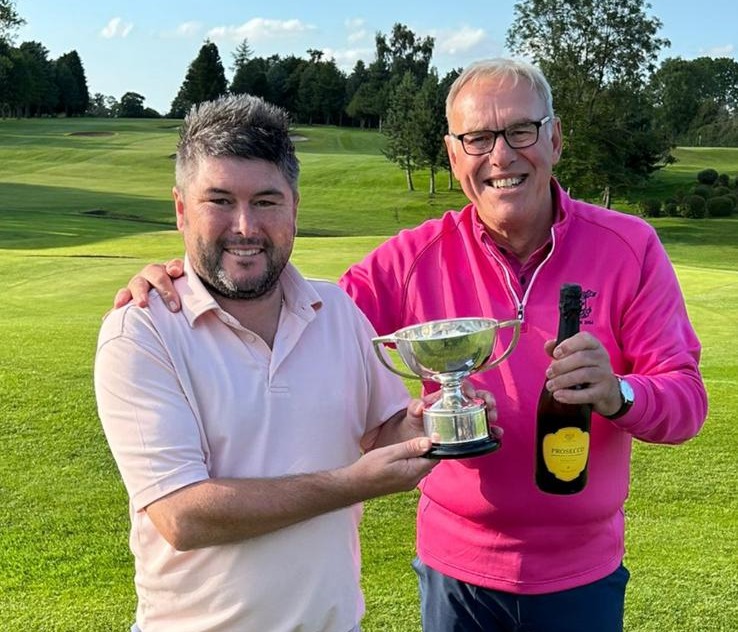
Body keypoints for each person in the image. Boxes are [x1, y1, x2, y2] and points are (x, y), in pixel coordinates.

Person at [116, 59, 708, 632]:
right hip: (456, 573)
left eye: (521, 131)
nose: (500, 155)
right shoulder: (411, 258)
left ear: (555, 138)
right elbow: (300, 310)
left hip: (581, 571)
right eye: (477, 138)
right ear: (454, 157)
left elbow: (686, 401)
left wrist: (620, 393)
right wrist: (191, 274)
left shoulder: (629, 246)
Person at [95, 93, 502, 632]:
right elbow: (182, 515)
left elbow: (378, 434)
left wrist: (424, 423)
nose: (245, 226)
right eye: (219, 200)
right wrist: (351, 483)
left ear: (294, 206)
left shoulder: (334, 310)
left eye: (266, 201)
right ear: (180, 208)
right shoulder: (141, 330)